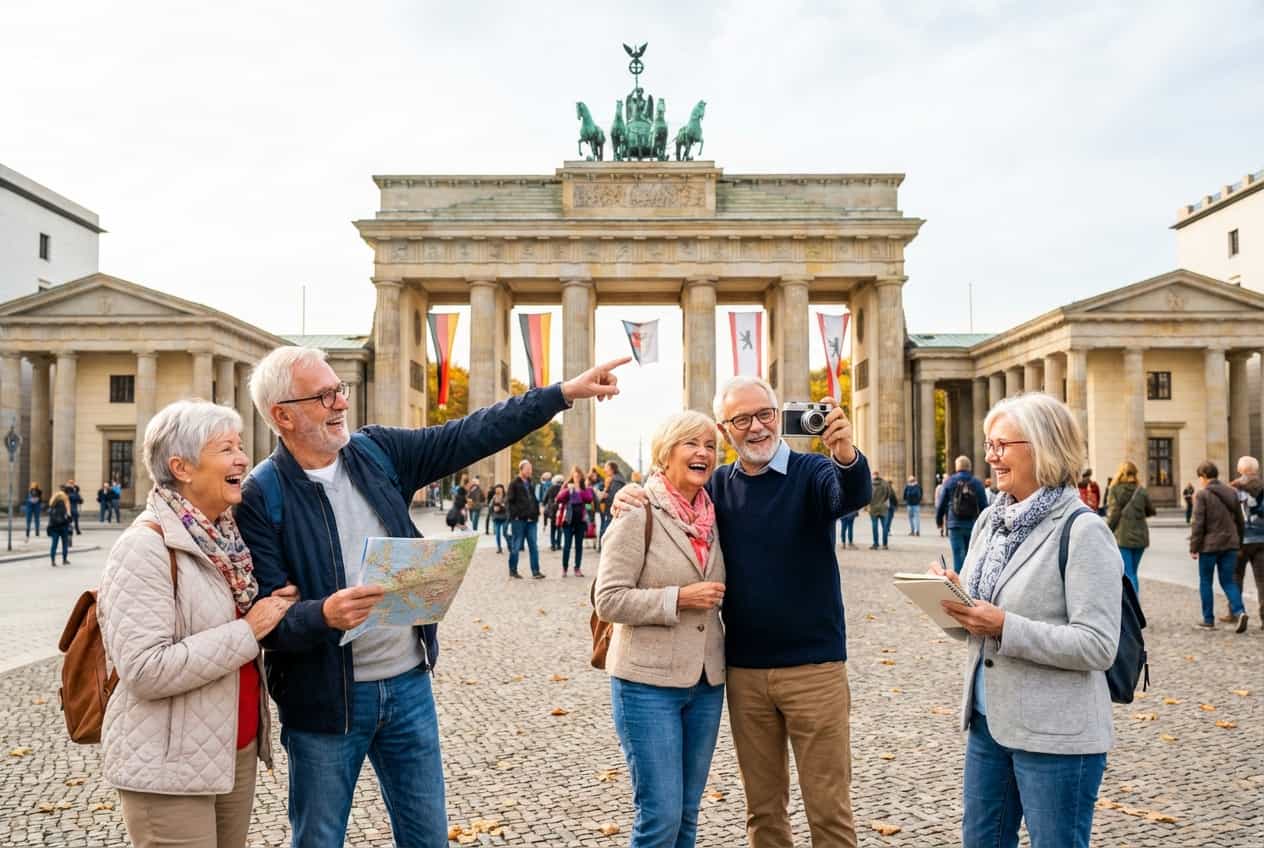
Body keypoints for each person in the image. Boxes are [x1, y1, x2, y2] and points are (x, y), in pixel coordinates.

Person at [236, 345, 628, 847]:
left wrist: (560, 394)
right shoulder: (260, 496)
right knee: (318, 838)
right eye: (324, 396)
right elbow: (271, 620)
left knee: (427, 838)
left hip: (407, 687)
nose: (340, 404)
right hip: (325, 702)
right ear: (282, 416)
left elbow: (470, 433)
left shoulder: (375, 452)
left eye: (340, 389)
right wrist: (324, 614)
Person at [614, 375, 871, 847]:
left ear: (779, 415)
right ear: (724, 428)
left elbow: (850, 496)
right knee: (763, 812)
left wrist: (847, 456)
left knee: (829, 810)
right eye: (741, 419)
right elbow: (670, 492)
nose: (756, 427)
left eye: (765, 415)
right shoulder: (716, 487)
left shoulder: (813, 472)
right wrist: (628, 494)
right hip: (745, 672)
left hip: (814, 669)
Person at [98, 400, 296, 848]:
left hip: (232, 753)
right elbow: (146, 670)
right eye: (227, 449)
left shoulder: (227, 538)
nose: (243, 459)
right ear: (181, 467)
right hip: (168, 769)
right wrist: (250, 630)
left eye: (241, 446)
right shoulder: (144, 548)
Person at [929, 391, 1122, 848]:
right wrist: (954, 598)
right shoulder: (989, 522)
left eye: (1001, 445)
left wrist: (1003, 626)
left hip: (1057, 735)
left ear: (1042, 447)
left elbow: (1097, 645)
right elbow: (977, 621)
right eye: (989, 445)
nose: (990, 456)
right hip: (987, 720)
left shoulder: (1083, 530)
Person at [595, 411, 726, 848]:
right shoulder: (637, 511)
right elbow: (608, 599)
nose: (703, 453)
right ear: (665, 453)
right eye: (691, 444)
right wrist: (679, 599)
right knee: (660, 818)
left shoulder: (717, 513)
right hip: (646, 685)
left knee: (687, 815)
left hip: (706, 681)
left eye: (709, 446)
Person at [1190, 460, 1248, 632]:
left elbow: (1198, 523)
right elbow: (1240, 520)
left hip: (1209, 545)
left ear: (1205, 476)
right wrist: (1239, 542)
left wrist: (1194, 547)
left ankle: (1208, 619)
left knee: (1206, 581)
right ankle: (1240, 611)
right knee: (1228, 581)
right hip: (1230, 544)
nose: (1200, 480)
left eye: (1200, 477)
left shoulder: (1202, 495)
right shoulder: (1231, 492)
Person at [1105, 460, 1156, 597]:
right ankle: (1133, 602)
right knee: (1133, 572)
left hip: (1123, 536)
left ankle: (1133, 605)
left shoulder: (1115, 489)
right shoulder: (1141, 490)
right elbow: (1151, 510)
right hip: (1141, 537)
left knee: (1128, 572)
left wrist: (1107, 530)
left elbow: (1114, 512)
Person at [936, 456, 989, 573]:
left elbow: (941, 504)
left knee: (958, 553)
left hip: (954, 523)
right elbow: (984, 505)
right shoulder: (977, 482)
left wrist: (939, 521)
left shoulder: (949, 481)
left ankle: (959, 580)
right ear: (969, 467)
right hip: (972, 523)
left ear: (957, 467)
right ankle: (968, 579)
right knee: (970, 553)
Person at [1229, 456, 1264, 629]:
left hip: (1240, 539)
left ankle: (1236, 612)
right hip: (1262, 539)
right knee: (1262, 580)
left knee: (1235, 576)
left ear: (1240, 470)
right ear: (1256, 470)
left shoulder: (1234, 489)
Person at [507, 460, 544, 580]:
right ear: (521, 469)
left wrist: (537, 513)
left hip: (531, 520)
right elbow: (509, 501)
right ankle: (513, 571)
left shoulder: (530, 483)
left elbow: (534, 500)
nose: (530, 471)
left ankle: (536, 571)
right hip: (519, 520)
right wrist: (515, 515)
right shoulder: (514, 483)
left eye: (531, 469)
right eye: (528, 469)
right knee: (516, 546)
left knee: (533, 545)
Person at [557, 466, 594, 577]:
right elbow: (558, 498)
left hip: (580, 521)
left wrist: (579, 490)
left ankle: (577, 568)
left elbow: (589, 499)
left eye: (578, 476)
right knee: (567, 546)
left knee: (579, 546)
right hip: (568, 521)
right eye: (575, 475)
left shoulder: (584, 488)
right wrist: (569, 490)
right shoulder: (567, 486)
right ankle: (564, 568)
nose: (577, 477)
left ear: (581, 477)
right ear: (572, 476)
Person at [867, 470, 895, 550]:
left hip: (873, 508)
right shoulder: (885, 484)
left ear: (873, 475)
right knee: (885, 527)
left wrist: (870, 505)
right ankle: (885, 544)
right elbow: (889, 494)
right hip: (883, 508)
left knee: (874, 527)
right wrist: (883, 502)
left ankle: (875, 544)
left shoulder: (870, 484)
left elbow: (867, 496)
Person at [601, 460, 627, 540]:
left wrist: (604, 496)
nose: (605, 470)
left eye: (606, 468)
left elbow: (614, 497)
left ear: (612, 469)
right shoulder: (616, 479)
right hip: (613, 512)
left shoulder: (616, 481)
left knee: (606, 535)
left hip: (612, 512)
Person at [46, 490, 72, 566]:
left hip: (54, 527)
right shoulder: (64, 505)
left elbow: (50, 517)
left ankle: (53, 561)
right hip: (63, 527)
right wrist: (69, 514)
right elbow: (69, 518)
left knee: (54, 544)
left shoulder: (51, 506)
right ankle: (64, 560)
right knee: (64, 544)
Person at [543, 472, 564, 551]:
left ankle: (552, 545)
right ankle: (558, 544)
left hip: (552, 510)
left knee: (553, 528)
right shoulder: (563, 488)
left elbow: (545, 499)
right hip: (560, 509)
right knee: (559, 528)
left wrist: (545, 504)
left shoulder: (550, 488)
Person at [489, 483, 509, 554]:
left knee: (504, 533)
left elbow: (508, 508)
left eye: (499, 489)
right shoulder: (494, 497)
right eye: (496, 490)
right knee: (497, 533)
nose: (498, 491)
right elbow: (490, 507)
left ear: (502, 490)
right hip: (497, 518)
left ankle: (509, 543)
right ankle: (499, 548)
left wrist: (501, 505)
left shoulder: (506, 497)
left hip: (505, 517)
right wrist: (493, 513)